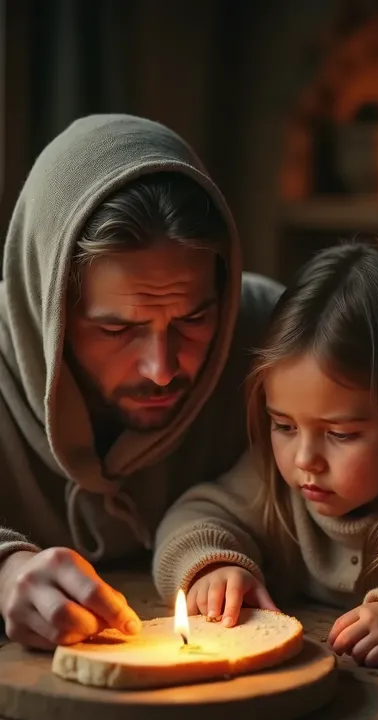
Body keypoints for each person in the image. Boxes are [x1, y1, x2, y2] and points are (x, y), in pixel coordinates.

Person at [0, 113, 283, 649]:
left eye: (194, 319)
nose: (162, 368)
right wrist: (4, 570)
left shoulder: (276, 337)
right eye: (117, 328)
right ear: (47, 309)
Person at [154, 240, 378, 667]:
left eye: (340, 434)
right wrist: (211, 568)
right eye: (283, 425)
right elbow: (191, 517)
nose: (305, 459)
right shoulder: (273, 482)